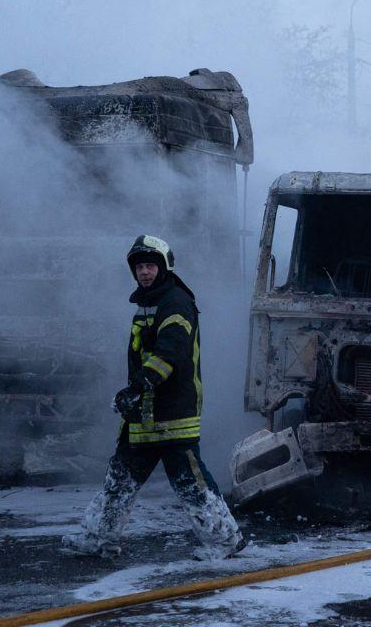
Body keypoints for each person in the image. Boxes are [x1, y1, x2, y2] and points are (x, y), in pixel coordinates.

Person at [63, 235, 245, 559]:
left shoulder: (176, 303)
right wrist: (137, 394)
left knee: (190, 482)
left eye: (150, 265)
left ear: (164, 267)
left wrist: (137, 387)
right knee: (119, 479)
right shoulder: (148, 304)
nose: (144, 272)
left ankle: (225, 540)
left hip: (173, 414)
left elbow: (169, 354)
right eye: (139, 267)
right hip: (144, 414)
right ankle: (99, 538)